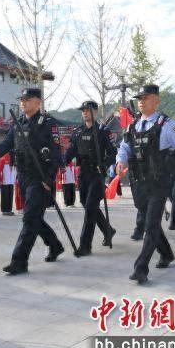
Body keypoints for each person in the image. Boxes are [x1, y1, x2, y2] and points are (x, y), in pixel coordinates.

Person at [116, 84, 175, 284]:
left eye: (146, 97)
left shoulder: (167, 125)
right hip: (139, 183)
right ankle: (166, 253)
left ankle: (141, 268)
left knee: (151, 224)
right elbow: (123, 147)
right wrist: (120, 160)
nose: (141, 101)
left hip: (159, 183)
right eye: (139, 98)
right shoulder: (133, 126)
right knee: (152, 223)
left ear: (156, 100)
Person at [0, 88, 64, 275]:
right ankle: (55, 245)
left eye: (27, 99)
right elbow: (7, 144)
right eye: (22, 100)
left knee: (30, 218)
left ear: (38, 102)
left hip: (40, 177)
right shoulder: (18, 123)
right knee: (33, 218)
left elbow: (56, 154)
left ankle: (19, 261)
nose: (23, 103)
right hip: (23, 175)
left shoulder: (48, 124)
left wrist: (49, 178)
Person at [64, 100, 117, 256]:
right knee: (86, 204)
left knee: (90, 208)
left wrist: (105, 164)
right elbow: (71, 151)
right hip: (83, 173)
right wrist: (60, 162)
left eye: (88, 110)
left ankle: (85, 246)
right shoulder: (78, 131)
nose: (85, 113)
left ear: (95, 111)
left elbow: (113, 153)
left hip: (97, 173)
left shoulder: (103, 131)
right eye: (83, 110)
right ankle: (108, 230)